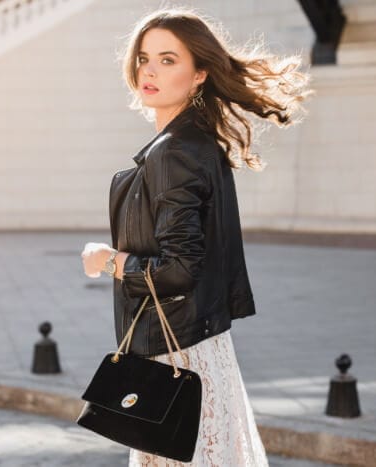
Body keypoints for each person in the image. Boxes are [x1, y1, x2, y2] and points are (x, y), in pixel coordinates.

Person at [81, 7, 312, 466]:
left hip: (176, 354)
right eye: (145, 57)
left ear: (200, 73)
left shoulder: (174, 153)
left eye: (169, 60)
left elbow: (179, 269)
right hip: (199, 348)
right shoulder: (196, 142)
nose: (149, 70)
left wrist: (108, 260)